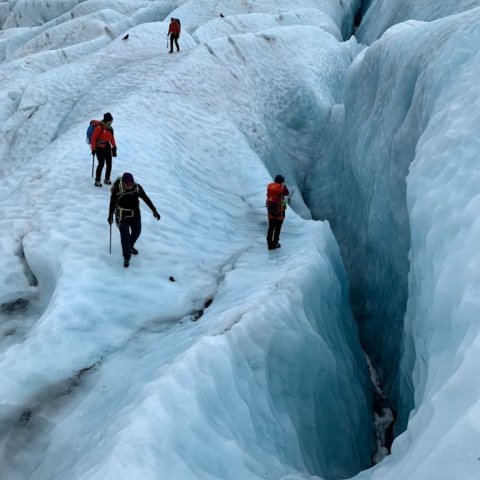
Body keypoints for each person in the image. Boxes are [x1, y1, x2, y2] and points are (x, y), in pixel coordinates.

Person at [108, 172, 161, 268]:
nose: (130, 185)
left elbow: (145, 198)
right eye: (128, 184)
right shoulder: (117, 190)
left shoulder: (137, 188)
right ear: (123, 183)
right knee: (125, 236)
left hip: (135, 214)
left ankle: (130, 246)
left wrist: (154, 210)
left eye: (132, 183)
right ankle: (126, 257)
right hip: (122, 216)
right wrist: (110, 216)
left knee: (137, 232)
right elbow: (112, 203)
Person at [91, 112, 117, 187]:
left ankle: (107, 179)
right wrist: (93, 149)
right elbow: (93, 138)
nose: (112, 121)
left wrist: (114, 146)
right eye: (111, 120)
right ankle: (97, 181)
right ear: (107, 120)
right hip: (99, 148)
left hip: (107, 147)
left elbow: (112, 138)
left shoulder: (110, 128)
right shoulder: (99, 127)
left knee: (109, 164)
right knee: (101, 164)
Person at [266, 175, 289, 250]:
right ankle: (275, 244)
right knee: (277, 228)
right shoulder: (281, 188)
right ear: (281, 181)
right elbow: (287, 193)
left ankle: (269, 244)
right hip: (280, 211)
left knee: (271, 227)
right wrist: (284, 186)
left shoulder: (270, 187)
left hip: (271, 210)